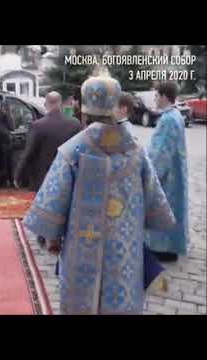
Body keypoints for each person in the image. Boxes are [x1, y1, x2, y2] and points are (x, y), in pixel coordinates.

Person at [23, 76, 176, 314]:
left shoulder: (72, 150)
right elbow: (156, 203)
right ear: (114, 108)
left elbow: (52, 207)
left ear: (84, 112)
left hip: (80, 250)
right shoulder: (135, 150)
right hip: (125, 252)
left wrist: (53, 240)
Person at [14, 91, 81, 246]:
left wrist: (18, 175)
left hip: (43, 174)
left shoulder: (38, 125)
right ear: (60, 104)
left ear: (47, 104)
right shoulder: (74, 124)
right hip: (69, 173)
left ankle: (43, 235)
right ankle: (65, 234)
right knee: (67, 204)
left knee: (44, 206)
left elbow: (28, 153)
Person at [145, 82, 189, 262]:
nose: (155, 99)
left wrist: (149, 173)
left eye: (156, 95)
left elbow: (160, 152)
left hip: (167, 177)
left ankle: (164, 248)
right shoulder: (175, 115)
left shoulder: (168, 119)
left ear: (164, 96)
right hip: (175, 173)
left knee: (163, 209)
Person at [0, 101, 15, 184]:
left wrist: (8, 115)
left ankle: (10, 179)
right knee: (5, 162)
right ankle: (5, 180)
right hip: (2, 141)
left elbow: (12, 127)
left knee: (9, 162)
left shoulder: (6, 115)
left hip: (7, 141)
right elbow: (0, 129)